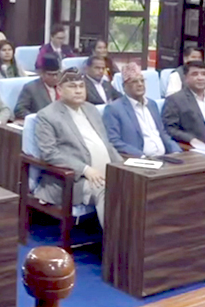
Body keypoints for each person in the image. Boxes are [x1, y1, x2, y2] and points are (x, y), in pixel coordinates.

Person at [34, 68, 123, 229]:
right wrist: (84, 169)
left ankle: (136, 237)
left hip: (107, 171)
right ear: (59, 90)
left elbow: (106, 144)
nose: (78, 91)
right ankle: (115, 242)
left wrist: (123, 166)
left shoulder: (91, 109)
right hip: (74, 180)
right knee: (105, 189)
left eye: (81, 86)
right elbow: (49, 153)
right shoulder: (47, 116)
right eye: (72, 86)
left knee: (135, 183)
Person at [103, 63, 181, 157]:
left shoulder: (152, 105)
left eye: (142, 81)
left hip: (164, 158)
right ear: (124, 86)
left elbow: (162, 133)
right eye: (134, 82)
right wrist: (141, 156)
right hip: (138, 159)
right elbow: (114, 141)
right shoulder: (114, 109)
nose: (140, 84)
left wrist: (176, 151)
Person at [15, 54, 62, 120]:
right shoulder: (31, 88)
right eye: (50, 75)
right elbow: (20, 110)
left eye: (56, 74)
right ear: (42, 73)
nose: (54, 78)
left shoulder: (63, 87)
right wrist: (37, 118)